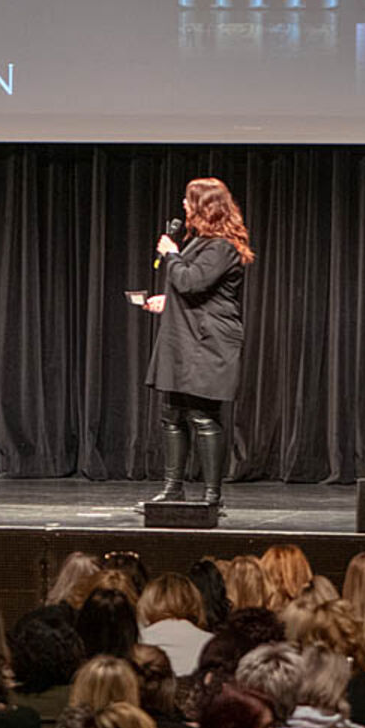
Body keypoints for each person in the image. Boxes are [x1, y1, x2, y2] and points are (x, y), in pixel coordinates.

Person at [143, 176, 254, 508]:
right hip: (183, 338)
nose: (183, 204)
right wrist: (168, 301)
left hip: (207, 342)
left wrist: (172, 254)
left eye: (188, 199)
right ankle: (172, 488)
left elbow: (192, 282)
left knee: (202, 416)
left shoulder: (222, 246)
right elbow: (193, 290)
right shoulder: (199, 242)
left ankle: (211, 495)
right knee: (171, 415)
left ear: (206, 206)